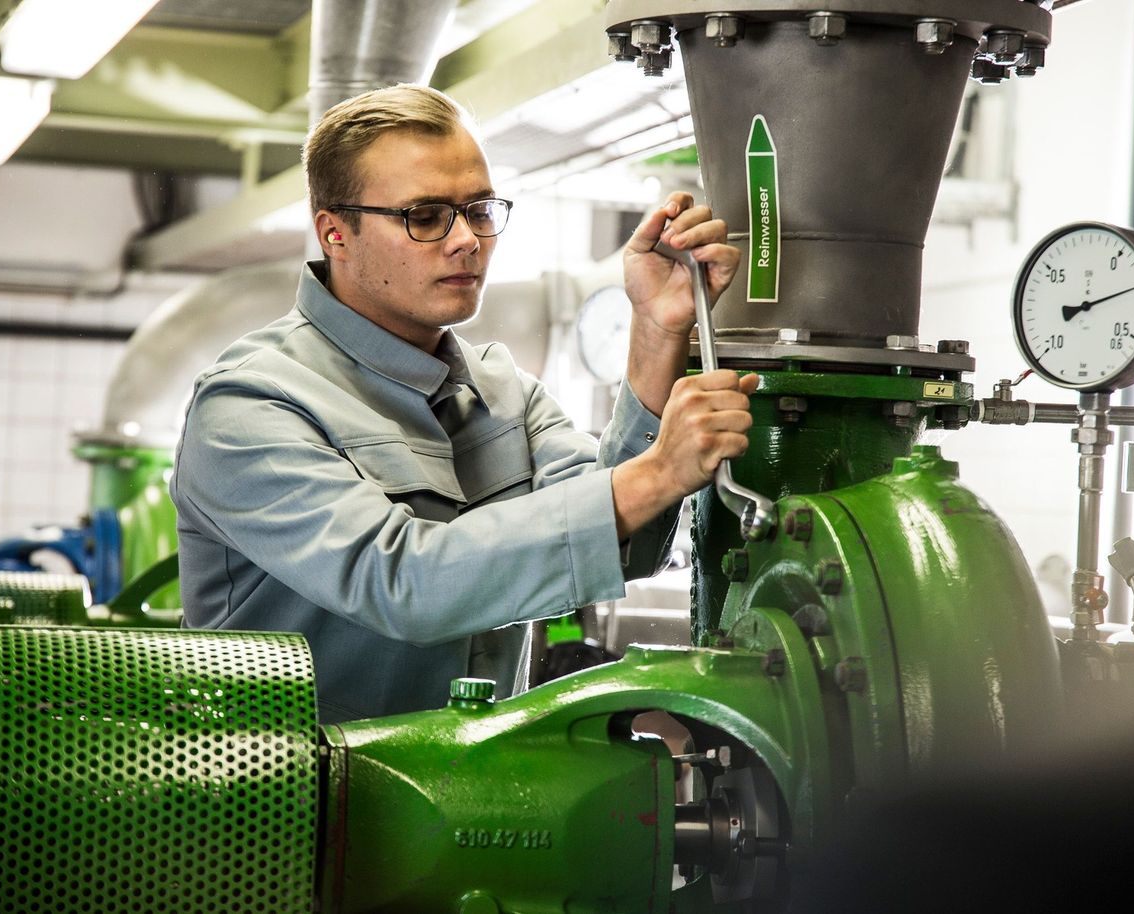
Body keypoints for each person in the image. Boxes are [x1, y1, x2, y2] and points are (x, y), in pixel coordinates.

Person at [170, 84, 758, 724]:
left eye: (478, 209)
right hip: (281, 807)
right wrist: (660, 470)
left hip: (464, 799)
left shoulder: (506, 394)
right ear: (335, 233)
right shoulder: (251, 404)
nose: (467, 241)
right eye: (425, 216)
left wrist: (656, 331)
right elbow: (401, 584)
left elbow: (625, 545)